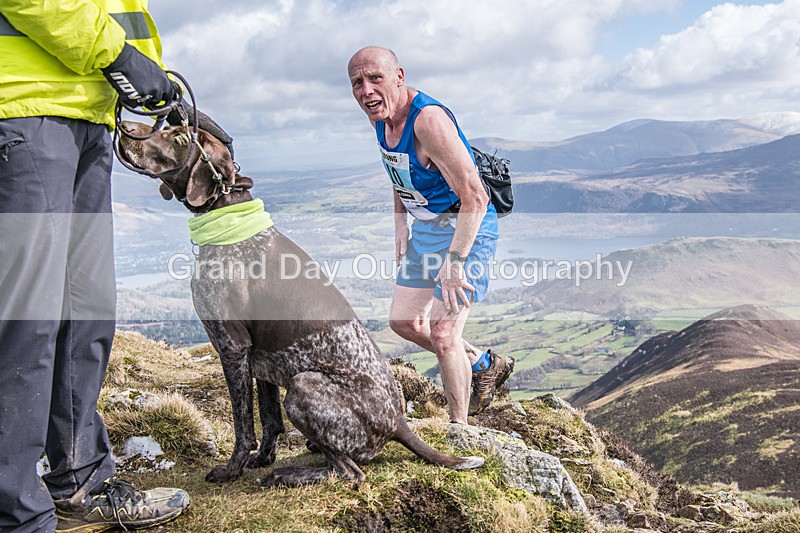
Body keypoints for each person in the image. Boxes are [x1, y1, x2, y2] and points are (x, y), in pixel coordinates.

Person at [0, 3, 230, 531]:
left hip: (88, 117)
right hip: (22, 110)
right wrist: (118, 54)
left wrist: (145, 78)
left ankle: (80, 482)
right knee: (27, 323)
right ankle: (15, 513)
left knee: (87, 312)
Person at [347, 46, 515, 424]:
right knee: (404, 322)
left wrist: (455, 261)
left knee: (442, 333)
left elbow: (476, 196)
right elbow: (396, 170)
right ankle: (484, 363)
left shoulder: (428, 122)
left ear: (399, 77)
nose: (367, 90)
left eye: (376, 78)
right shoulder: (381, 116)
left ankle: (460, 429)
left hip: (465, 228)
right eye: (357, 83)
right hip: (427, 228)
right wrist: (400, 224)